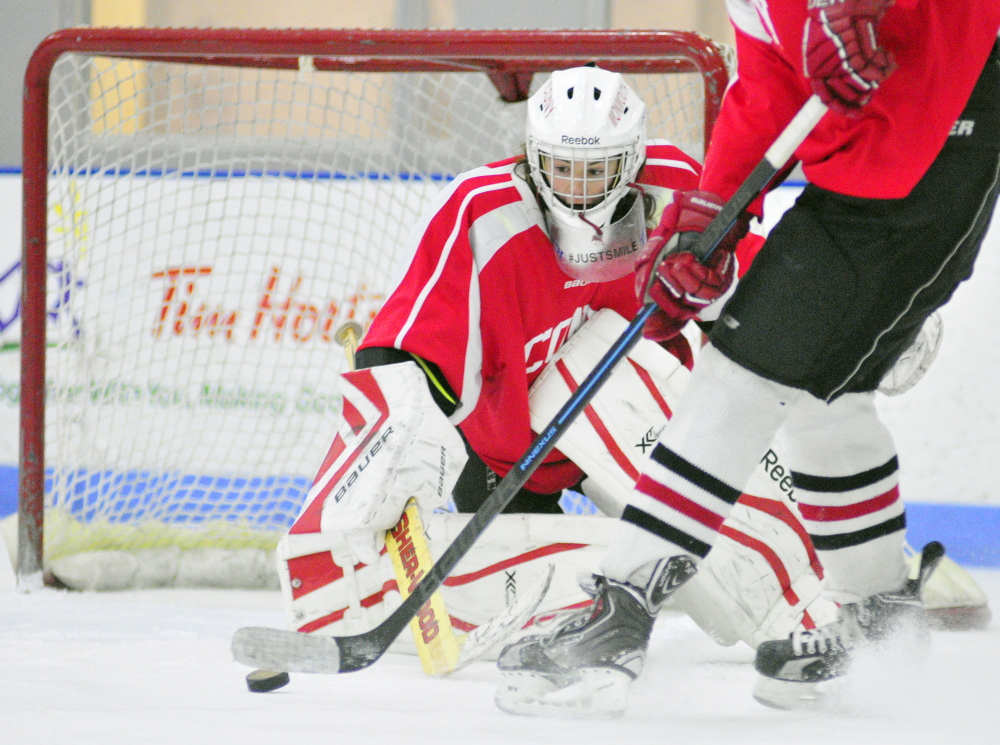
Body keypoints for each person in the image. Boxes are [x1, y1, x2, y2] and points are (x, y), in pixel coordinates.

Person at [495, 0, 1000, 717]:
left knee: (738, 375)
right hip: (869, 174)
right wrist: (710, 216)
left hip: (941, 143)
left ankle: (620, 613)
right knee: (828, 402)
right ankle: (881, 627)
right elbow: (769, 85)